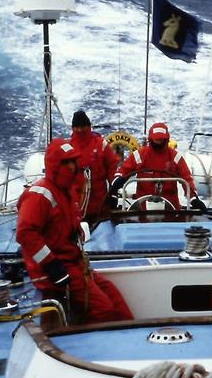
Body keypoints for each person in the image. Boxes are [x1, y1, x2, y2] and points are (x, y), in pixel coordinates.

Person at [16, 138, 133, 324]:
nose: (71, 167)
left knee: (115, 299)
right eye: (65, 162)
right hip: (57, 268)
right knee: (103, 309)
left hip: (75, 263)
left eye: (73, 161)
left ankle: (130, 338)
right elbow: (25, 234)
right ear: (54, 164)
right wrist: (52, 266)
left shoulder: (67, 191)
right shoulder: (39, 195)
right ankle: (93, 348)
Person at [109, 122, 205, 211]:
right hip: (143, 209)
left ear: (167, 139)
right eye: (156, 139)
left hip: (171, 209)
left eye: (161, 140)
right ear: (150, 139)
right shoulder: (139, 155)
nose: (158, 142)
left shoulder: (175, 157)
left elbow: (186, 178)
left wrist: (193, 199)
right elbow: (123, 171)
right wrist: (114, 189)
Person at [69, 110, 119, 225]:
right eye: (77, 127)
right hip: (76, 205)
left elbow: (112, 167)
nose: (80, 130)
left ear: (89, 126)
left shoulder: (101, 145)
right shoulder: (68, 147)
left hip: (101, 205)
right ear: (73, 128)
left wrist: (114, 190)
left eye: (83, 126)